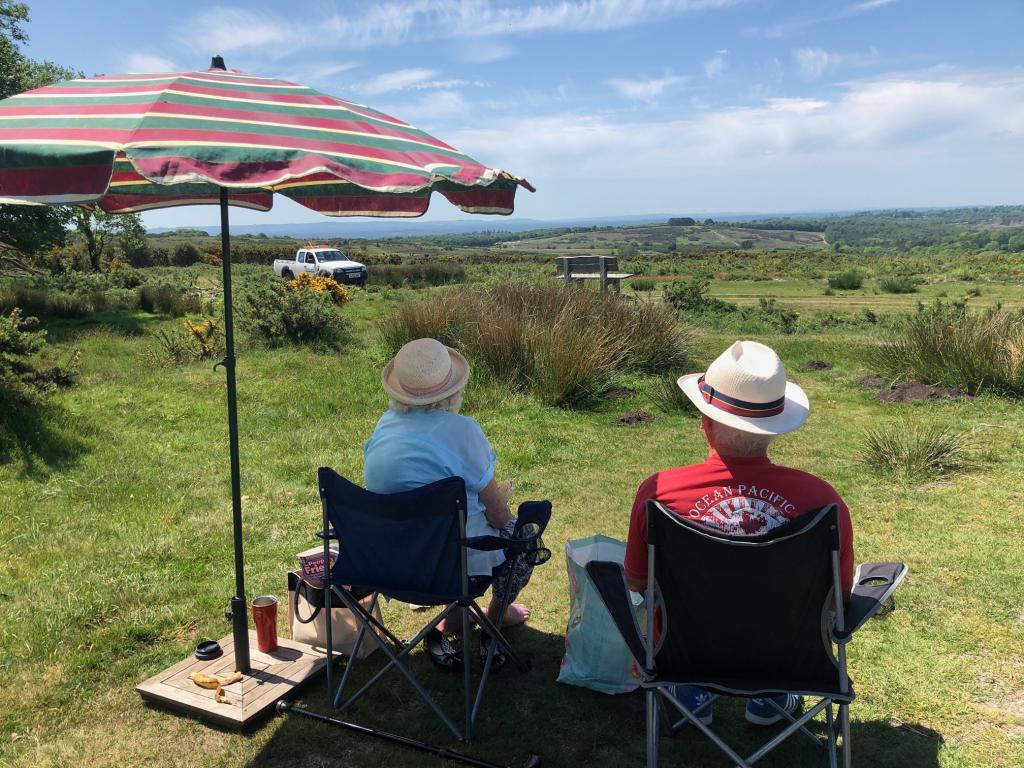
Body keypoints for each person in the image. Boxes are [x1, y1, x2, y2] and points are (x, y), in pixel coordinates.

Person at [623, 340, 854, 727]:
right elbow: (837, 601)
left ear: (706, 423)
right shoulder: (822, 502)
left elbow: (635, 580)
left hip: (685, 655)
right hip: (790, 660)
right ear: (774, 430)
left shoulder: (660, 493)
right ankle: (771, 701)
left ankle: (692, 694)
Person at [364, 337, 534, 669]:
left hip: (389, 565)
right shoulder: (461, 431)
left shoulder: (383, 428)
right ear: (452, 390)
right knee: (523, 533)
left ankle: (455, 617)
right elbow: (499, 515)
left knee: (450, 527)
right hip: (451, 571)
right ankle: (495, 618)